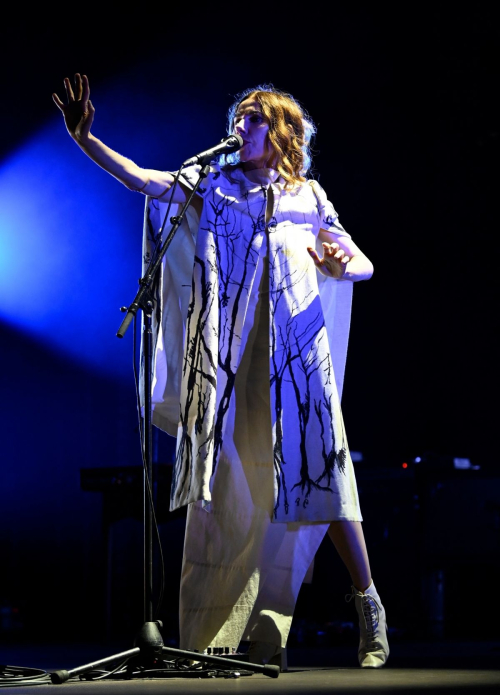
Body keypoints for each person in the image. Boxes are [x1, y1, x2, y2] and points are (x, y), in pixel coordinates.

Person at [52, 73, 390, 670]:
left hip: (298, 361)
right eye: (238, 119)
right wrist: (86, 140)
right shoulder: (214, 185)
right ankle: (236, 631)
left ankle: (368, 603)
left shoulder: (307, 197)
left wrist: (342, 263)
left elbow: (360, 262)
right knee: (231, 487)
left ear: (281, 130)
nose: (240, 128)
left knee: (325, 479)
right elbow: (143, 180)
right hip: (231, 364)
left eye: (253, 119)